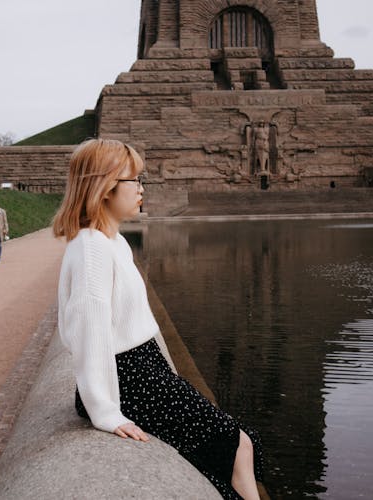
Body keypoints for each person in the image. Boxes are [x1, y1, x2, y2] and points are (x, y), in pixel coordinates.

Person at [52, 138, 264, 499]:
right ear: (105, 188)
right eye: (134, 180)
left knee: (233, 447)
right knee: (237, 444)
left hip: (146, 372)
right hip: (131, 380)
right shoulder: (93, 247)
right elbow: (91, 330)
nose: (141, 189)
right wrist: (105, 412)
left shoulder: (113, 241)